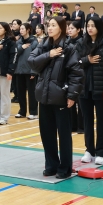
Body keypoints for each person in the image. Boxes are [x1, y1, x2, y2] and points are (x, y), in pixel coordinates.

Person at [29, 17, 83, 178]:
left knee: (64, 135)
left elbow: (76, 74)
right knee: (47, 134)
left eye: (53, 25)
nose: (50, 28)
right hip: (44, 97)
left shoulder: (70, 48)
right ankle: (51, 165)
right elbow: (32, 62)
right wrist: (49, 55)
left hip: (61, 97)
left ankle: (65, 168)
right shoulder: (43, 45)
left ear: (61, 28)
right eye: (49, 25)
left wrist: (72, 95)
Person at [77, 17, 103, 165]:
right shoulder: (81, 43)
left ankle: (101, 152)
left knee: (101, 121)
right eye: (88, 25)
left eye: (93, 25)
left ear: (99, 27)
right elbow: (75, 62)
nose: (90, 28)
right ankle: (89, 150)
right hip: (84, 89)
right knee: (87, 121)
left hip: (100, 90)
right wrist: (87, 60)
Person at [0, 22, 15, 125]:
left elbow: (13, 57)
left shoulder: (10, 42)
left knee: (4, 95)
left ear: (5, 30)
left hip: (5, 72)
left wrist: (10, 71)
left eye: (0, 28)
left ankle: (4, 117)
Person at [14, 22, 38, 120]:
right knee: (20, 92)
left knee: (32, 93)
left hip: (30, 71)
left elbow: (36, 57)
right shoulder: (18, 42)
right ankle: (22, 111)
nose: (21, 30)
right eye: (20, 29)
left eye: (23, 29)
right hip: (19, 71)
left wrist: (34, 71)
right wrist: (21, 47)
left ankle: (33, 112)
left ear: (28, 30)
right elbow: (15, 54)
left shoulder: (34, 42)